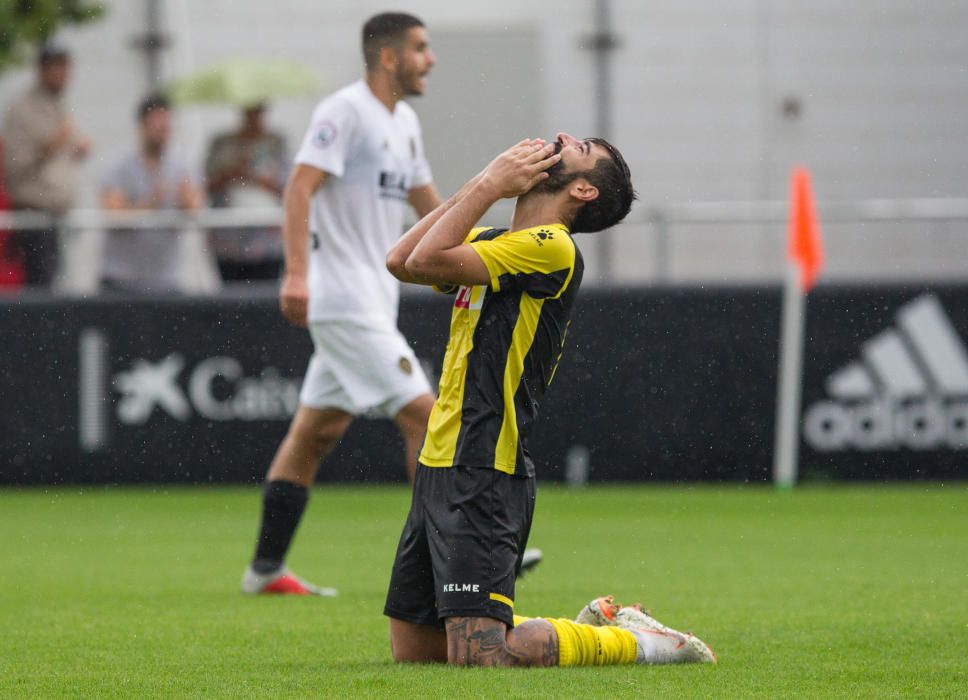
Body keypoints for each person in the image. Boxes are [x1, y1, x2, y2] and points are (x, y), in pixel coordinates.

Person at [381, 134, 714, 668]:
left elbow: (425, 257)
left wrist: (490, 184)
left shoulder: (552, 247)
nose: (560, 137)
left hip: (484, 463)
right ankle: (588, 625)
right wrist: (484, 184)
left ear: (581, 188)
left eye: (578, 146)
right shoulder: (500, 239)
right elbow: (401, 260)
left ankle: (642, 643)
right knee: (417, 651)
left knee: (482, 654)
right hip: (439, 462)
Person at [239, 11, 442, 596]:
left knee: (313, 436)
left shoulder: (403, 123)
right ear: (389, 57)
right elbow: (299, 187)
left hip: (373, 298)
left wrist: (479, 254)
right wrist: (296, 275)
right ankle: (451, 556)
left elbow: (432, 206)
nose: (431, 60)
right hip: (341, 296)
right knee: (425, 417)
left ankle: (264, 571)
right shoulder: (343, 111)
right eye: (422, 48)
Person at [2, 41, 90, 287]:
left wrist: (76, 150)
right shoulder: (22, 109)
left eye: (66, 67)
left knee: (54, 287)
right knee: (38, 291)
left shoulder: (58, 106)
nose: (64, 74)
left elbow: (61, 153)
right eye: (58, 67)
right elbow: (14, 167)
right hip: (32, 218)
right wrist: (49, 147)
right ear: (42, 69)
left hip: (57, 217)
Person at [100, 94, 204, 293]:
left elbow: (196, 208)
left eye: (166, 126)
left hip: (167, 278)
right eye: (156, 125)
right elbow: (114, 216)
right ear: (142, 126)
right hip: (121, 278)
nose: (162, 132)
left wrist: (185, 201)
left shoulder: (182, 165)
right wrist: (150, 203)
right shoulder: (118, 166)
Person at [204, 104, 289, 282]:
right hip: (229, 243)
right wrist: (232, 172)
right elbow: (206, 185)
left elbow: (288, 188)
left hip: (267, 243)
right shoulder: (222, 143)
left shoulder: (276, 143)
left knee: (264, 298)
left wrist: (258, 178)